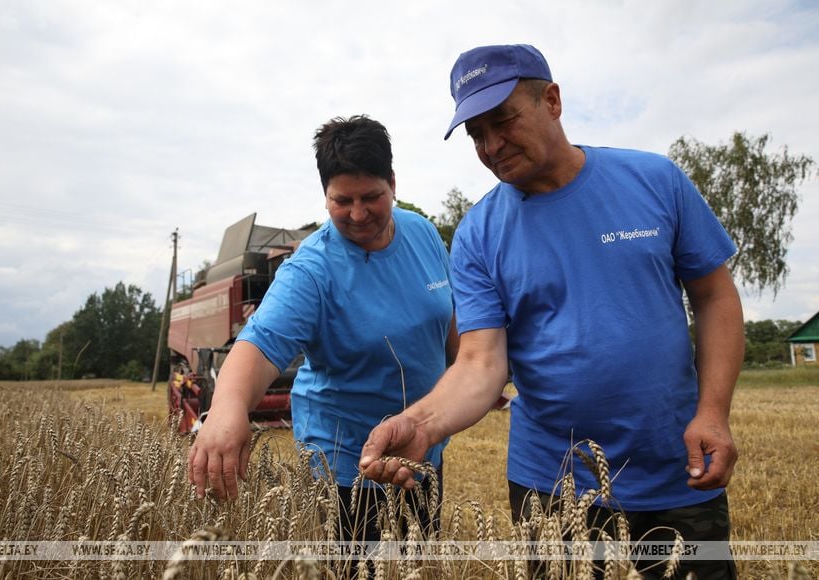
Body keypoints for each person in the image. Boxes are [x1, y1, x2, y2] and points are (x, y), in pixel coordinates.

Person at [360, 45, 744, 579]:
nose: (492, 145)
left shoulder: (654, 181)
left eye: (504, 121)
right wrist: (420, 426)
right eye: (476, 134)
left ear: (553, 101)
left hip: (677, 472)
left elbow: (714, 296)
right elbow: (480, 363)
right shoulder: (477, 234)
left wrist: (713, 411)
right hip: (551, 485)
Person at [188, 114, 458, 542]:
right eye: (340, 201)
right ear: (325, 195)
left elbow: (448, 316)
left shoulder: (423, 233)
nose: (357, 214)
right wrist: (226, 409)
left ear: (393, 182)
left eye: (371, 196)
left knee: (420, 557)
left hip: (422, 442)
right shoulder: (311, 270)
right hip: (347, 462)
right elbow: (259, 345)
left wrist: (470, 374)